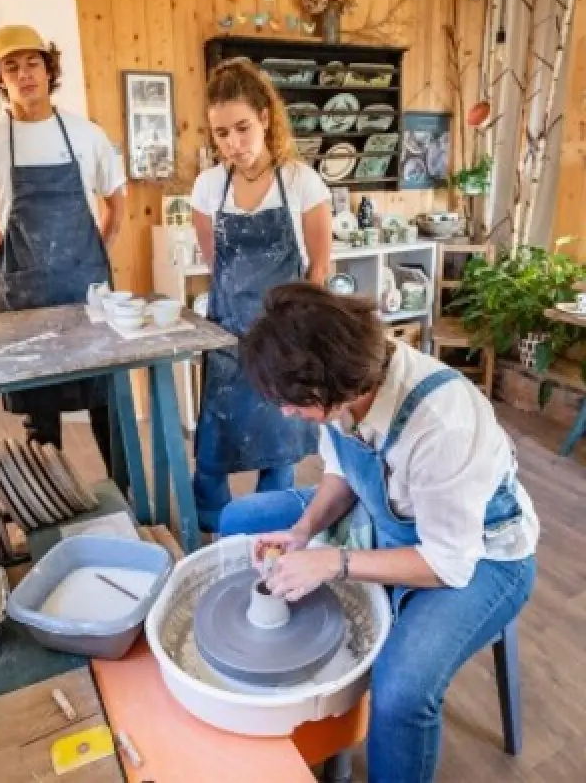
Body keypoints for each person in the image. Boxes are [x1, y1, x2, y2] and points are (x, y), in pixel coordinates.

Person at [220, 283, 539, 783]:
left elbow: (446, 562)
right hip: (386, 512)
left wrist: (336, 562)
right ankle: (285, 720)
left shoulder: (441, 423)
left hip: (483, 555)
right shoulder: (346, 387)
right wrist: (303, 533)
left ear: (332, 382)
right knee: (239, 521)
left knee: (401, 692)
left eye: (292, 401)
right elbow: (345, 473)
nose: (285, 413)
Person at [0, 25, 125, 471]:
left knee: (103, 401)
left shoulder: (86, 133)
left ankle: (127, 503)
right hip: (25, 295)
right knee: (40, 411)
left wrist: (98, 248)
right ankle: (51, 509)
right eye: (10, 66)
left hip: (85, 289)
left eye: (32, 62)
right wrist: (8, 259)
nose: (24, 74)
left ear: (48, 68)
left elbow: (115, 199)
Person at [190, 59, 332, 533]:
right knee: (213, 450)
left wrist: (299, 336)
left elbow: (318, 270)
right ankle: (213, 530)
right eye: (221, 133)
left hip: (285, 341)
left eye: (242, 128)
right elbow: (217, 264)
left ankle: (269, 531)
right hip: (228, 336)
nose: (233, 144)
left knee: (280, 448)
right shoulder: (209, 186)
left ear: (266, 118)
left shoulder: (302, 183)